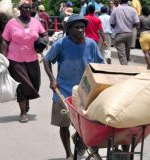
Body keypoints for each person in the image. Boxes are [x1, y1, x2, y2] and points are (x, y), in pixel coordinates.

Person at [43, 14, 104, 160]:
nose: (80, 30)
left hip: (85, 91)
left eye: (82, 27)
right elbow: (47, 60)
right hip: (63, 91)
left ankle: (80, 140)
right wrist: (52, 79)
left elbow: (99, 64)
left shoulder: (91, 44)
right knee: (63, 125)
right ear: (69, 29)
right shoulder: (61, 44)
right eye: (76, 27)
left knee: (86, 125)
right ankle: (68, 154)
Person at [2, 0, 48, 123]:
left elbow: (44, 34)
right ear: (20, 9)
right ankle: (22, 113)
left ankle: (26, 101)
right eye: (25, 7)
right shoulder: (11, 23)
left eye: (30, 8)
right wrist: (2, 59)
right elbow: (4, 41)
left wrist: (43, 42)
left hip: (32, 58)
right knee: (22, 86)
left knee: (34, 84)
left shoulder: (36, 22)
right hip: (15, 59)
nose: (28, 10)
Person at [110, 0, 139, 65]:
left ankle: (125, 69)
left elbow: (111, 22)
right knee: (127, 53)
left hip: (120, 34)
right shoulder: (133, 10)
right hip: (129, 34)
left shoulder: (115, 10)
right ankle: (126, 65)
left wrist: (116, 27)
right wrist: (131, 26)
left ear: (120, 1)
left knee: (122, 54)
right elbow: (137, 23)